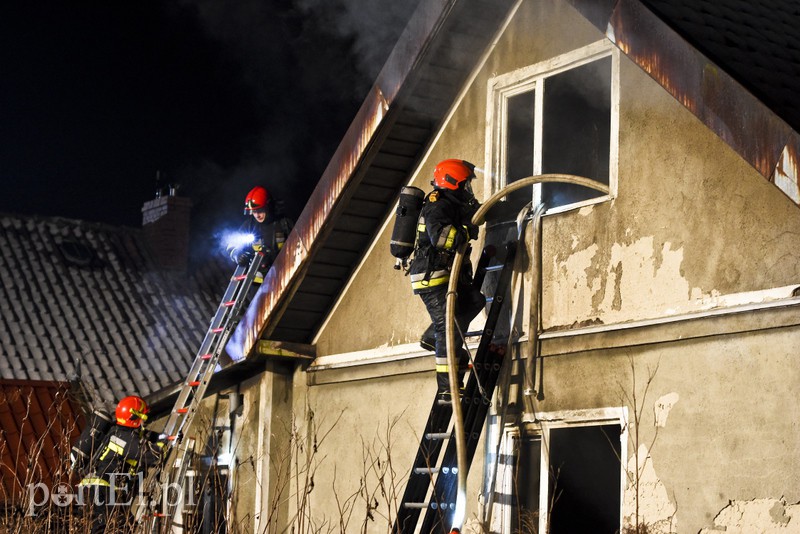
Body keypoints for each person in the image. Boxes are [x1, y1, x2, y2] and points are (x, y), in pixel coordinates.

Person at [410, 159, 485, 400]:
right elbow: (442, 238)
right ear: (453, 182)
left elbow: (478, 214)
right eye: (465, 184)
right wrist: (464, 232)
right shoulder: (437, 205)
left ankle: (433, 338)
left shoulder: (454, 204)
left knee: (475, 302)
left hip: (447, 276)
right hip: (431, 278)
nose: (468, 189)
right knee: (448, 328)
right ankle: (447, 388)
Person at [78, 395, 163, 534]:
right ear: (133, 418)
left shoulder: (119, 433)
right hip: (101, 489)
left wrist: (159, 437)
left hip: (98, 487)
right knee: (118, 526)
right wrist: (162, 447)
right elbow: (149, 455)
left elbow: (145, 437)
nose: (144, 421)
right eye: (143, 417)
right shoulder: (122, 439)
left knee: (115, 526)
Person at [227, 186, 294, 283]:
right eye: (254, 212)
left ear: (268, 207)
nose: (257, 215)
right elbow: (231, 245)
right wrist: (237, 255)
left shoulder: (284, 223)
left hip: (285, 275)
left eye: (260, 211)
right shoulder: (249, 227)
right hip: (259, 285)